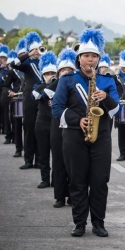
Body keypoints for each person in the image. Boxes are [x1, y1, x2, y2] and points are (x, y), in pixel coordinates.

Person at [51, 29, 120, 237]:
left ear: (99, 59)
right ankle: (79, 223)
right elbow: (56, 108)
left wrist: (105, 97)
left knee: (99, 181)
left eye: (94, 56)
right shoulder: (67, 80)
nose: (90, 60)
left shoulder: (107, 81)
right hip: (74, 136)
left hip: (101, 136)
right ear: (79, 58)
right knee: (78, 180)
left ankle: (98, 222)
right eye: (86, 56)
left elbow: (116, 109)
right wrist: (77, 119)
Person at [11, 32, 44, 170]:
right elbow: (14, 64)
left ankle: (40, 160)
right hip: (29, 100)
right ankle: (29, 159)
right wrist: (29, 54)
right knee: (29, 128)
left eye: (39, 49)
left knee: (41, 130)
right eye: (34, 50)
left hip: (42, 98)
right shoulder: (27, 63)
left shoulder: (45, 62)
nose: (37, 52)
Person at [49, 48, 77, 208]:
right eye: (63, 70)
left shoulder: (77, 84)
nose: (66, 72)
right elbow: (40, 92)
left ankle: (73, 196)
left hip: (73, 127)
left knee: (73, 163)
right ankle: (59, 196)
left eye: (69, 70)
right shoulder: (55, 83)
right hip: (57, 126)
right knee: (59, 161)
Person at [32, 51, 58, 189]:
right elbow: (37, 96)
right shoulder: (38, 86)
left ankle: (55, 180)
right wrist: (48, 84)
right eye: (47, 74)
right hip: (42, 123)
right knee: (43, 152)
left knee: (57, 154)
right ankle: (44, 179)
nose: (50, 76)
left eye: (53, 74)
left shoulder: (60, 86)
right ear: (43, 75)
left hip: (55, 123)